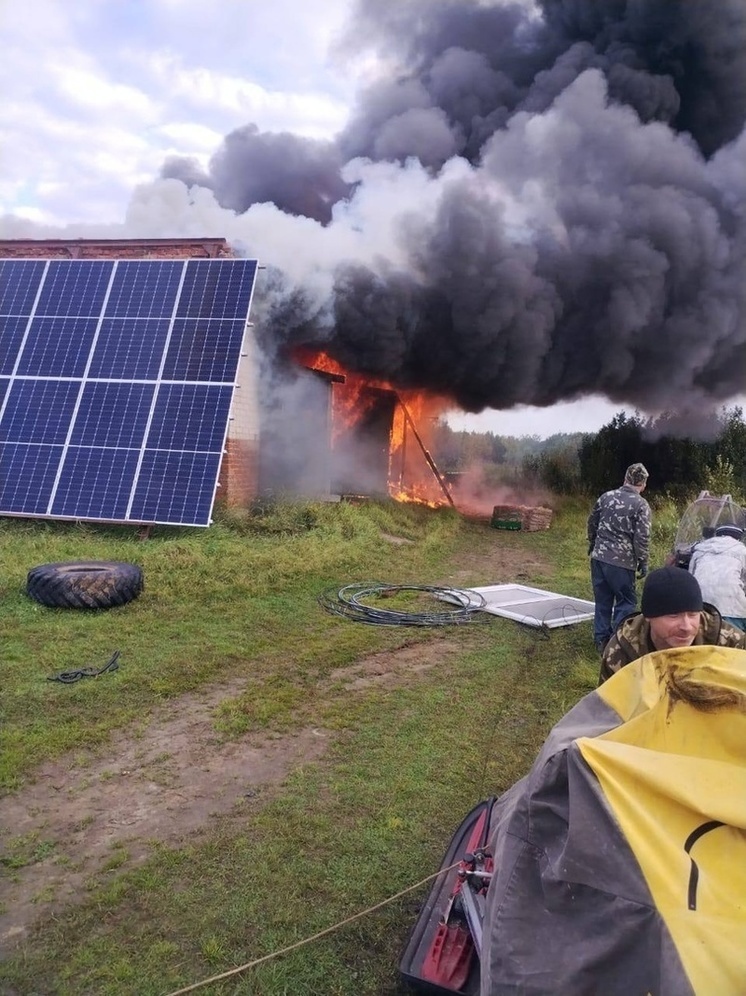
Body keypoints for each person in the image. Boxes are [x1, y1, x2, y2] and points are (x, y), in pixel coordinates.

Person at [599, 565, 746, 683]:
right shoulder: (621, 650)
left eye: (693, 614)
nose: (686, 627)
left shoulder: (730, 643)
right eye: (673, 616)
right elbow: (606, 713)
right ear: (649, 616)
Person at [587, 462, 651, 652]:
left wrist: (593, 544)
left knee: (602, 600)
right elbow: (642, 537)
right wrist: (643, 561)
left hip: (599, 558)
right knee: (626, 601)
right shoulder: (641, 505)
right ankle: (618, 643)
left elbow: (592, 522)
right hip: (622, 563)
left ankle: (601, 640)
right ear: (643, 484)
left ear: (625, 479)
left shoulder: (606, 497)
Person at [689, 524, 746, 632]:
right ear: (738, 537)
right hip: (732, 606)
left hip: (701, 603)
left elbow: (690, 577)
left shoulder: (700, 549)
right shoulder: (743, 551)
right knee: (735, 643)